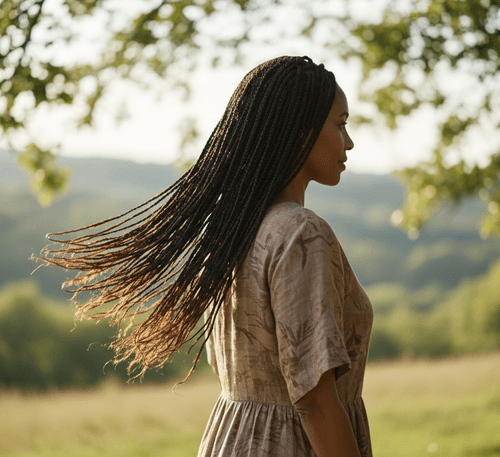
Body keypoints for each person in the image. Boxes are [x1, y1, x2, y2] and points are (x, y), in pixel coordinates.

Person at [37, 56, 373, 457]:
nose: (348, 141)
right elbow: (315, 401)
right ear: (302, 133)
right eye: (340, 124)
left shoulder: (233, 230)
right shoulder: (301, 233)